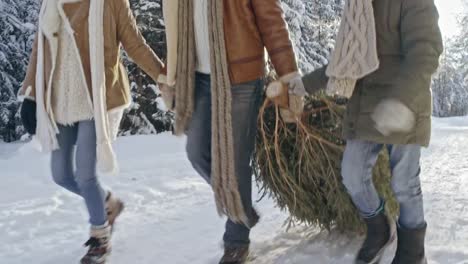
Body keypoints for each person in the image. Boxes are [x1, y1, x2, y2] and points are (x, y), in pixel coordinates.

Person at [158, 0, 305, 263]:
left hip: (240, 77)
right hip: (199, 77)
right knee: (197, 152)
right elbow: (177, 29)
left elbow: (271, 19)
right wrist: (169, 73)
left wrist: (288, 76)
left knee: (236, 161)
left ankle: (236, 240)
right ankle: (242, 209)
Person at [18, 0, 164, 263]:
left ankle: (100, 237)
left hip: (98, 100)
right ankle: (108, 202)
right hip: (61, 101)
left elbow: (135, 44)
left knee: (85, 173)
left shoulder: (111, 3)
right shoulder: (51, 3)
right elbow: (40, 50)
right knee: (61, 174)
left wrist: (163, 77)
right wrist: (30, 95)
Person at [302, 0, 443, 263]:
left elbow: (426, 52)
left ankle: (413, 252)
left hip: (406, 105)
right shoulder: (358, 5)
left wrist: (401, 101)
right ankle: (380, 229)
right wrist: (302, 85)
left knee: (404, 183)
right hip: (366, 106)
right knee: (352, 173)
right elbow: (344, 63)